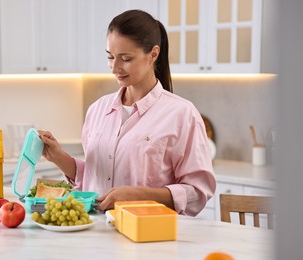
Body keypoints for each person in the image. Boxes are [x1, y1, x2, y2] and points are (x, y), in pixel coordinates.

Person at [38, 9, 216, 216]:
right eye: (110, 57)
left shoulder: (181, 114)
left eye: (125, 58)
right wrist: (59, 157)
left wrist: (138, 195)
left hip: (149, 237)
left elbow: (198, 191)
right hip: (95, 235)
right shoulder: (97, 110)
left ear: (153, 54)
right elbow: (96, 179)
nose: (115, 67)